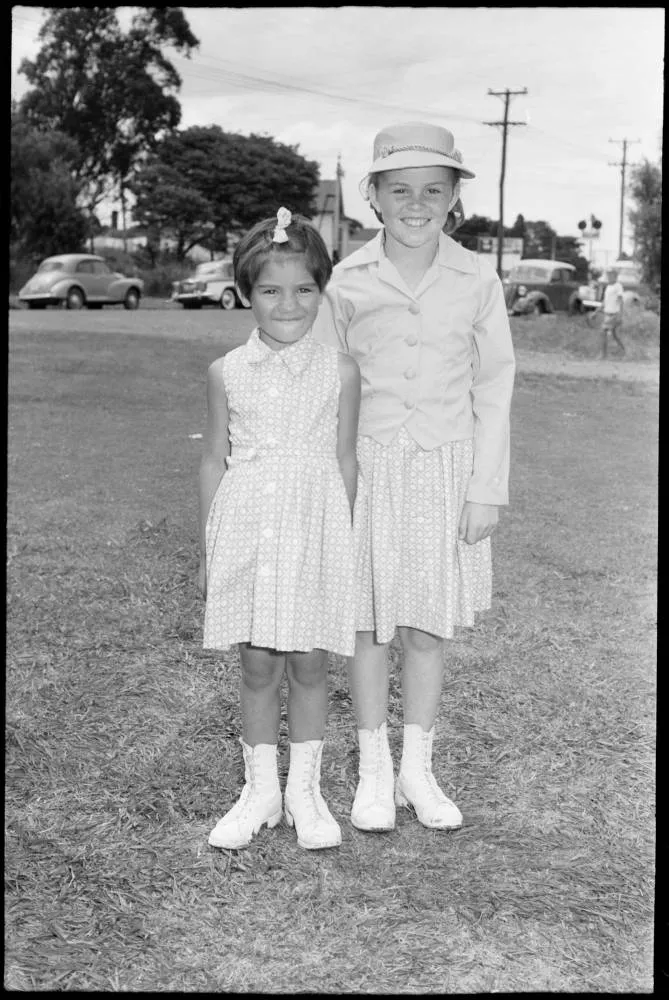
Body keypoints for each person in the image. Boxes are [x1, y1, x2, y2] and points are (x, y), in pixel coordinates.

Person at [311, 122, 515, 833]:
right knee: (369, 625)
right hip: (367, 468)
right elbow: (325, 387)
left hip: (444, 468)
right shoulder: (345, 281)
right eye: (399, 189)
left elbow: (493, 386)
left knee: (425, 629)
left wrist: (485, 487)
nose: (416, 203)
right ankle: (372, 772)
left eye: (433, 190)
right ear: (372, 196)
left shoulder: (476, 278)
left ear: (453, 199)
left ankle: (416, 771)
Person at [199, 207, 361, 852]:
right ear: (246, 294)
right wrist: (210, 549)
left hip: (313, 528)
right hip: (249, 527)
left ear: (321, 292)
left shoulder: (341, 370)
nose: (287, 303)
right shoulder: (225, 371)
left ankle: (306, 792)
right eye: (270, 290)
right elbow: (215, 457)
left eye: (303, 289)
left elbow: (345, 459)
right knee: (258, 664)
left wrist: (339, 545)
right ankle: (260, 789)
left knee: (311, 663)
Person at [599, 267, 626, 358]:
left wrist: (620, 314)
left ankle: (603, 355)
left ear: (615, 276)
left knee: (603, 331)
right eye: (608, 275)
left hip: (614, 314)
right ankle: (624, 351)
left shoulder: (618, 286)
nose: (609, 276)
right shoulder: (608, 287)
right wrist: (595, 312)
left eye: (611, 274)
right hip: (607, 314)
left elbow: (620, 300)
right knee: (614, 335)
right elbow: (604, 302)